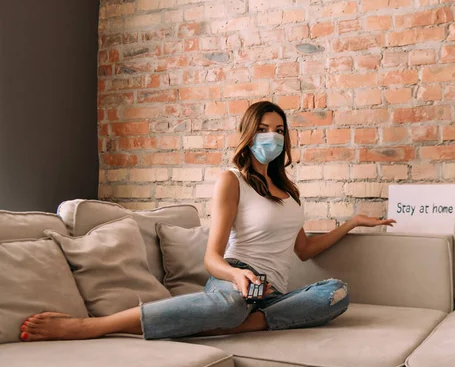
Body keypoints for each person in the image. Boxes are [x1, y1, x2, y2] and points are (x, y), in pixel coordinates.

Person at [19, 101, 395, 342]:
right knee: (229, 305)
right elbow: (212, 258)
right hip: (235, 278)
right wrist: (238, 277)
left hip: (273, 293)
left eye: (279, 130)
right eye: (264, 129)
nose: (272, 137)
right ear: (249, 134)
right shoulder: (232, 180)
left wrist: (350, 223)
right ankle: (94, 327)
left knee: (335, 294)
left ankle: (236, 324)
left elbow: (302, 250)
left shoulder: (289, 189)